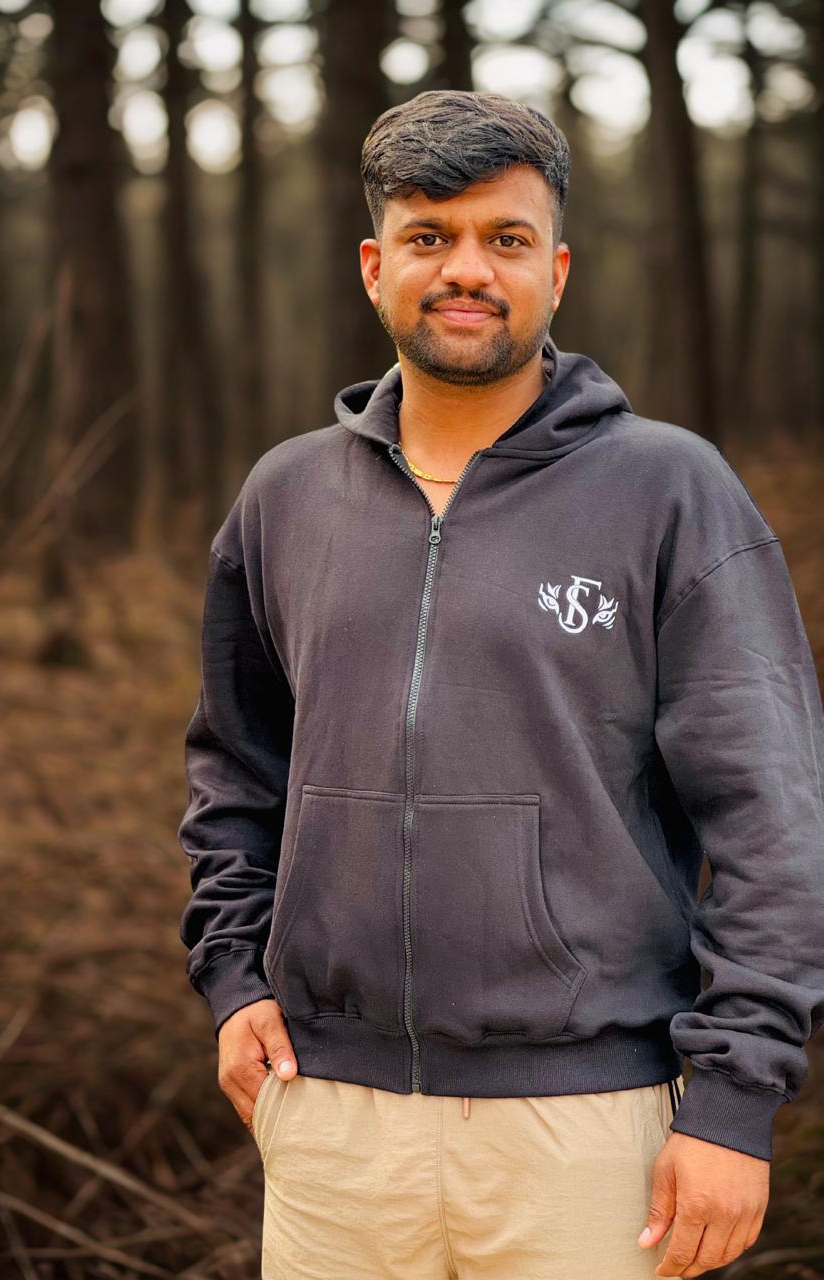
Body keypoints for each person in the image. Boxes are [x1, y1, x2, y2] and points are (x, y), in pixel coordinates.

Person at [177, 90, 824, 1279]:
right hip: (328, 1116)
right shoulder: (284, 499)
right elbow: (234, 768)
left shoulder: (668, 491)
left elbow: (771, 815)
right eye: (428, 235)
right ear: (374, 266)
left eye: (504, 238)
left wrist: (734, 1097)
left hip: (588, 1123)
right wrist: (230, 977)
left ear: (555, 271)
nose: (464, 269)